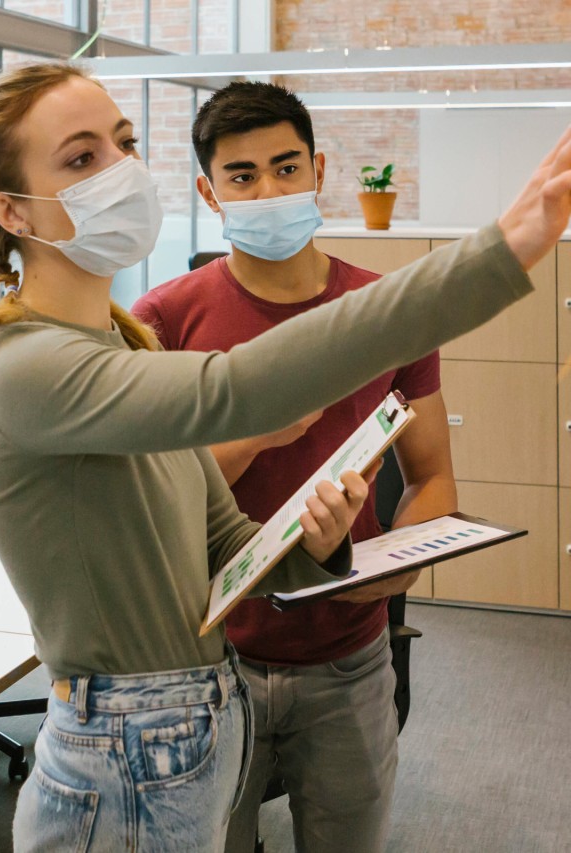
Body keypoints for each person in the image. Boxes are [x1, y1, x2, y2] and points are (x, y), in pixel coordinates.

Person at [0, 61, 569, 852]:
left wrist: (316, 544)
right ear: (11, 210)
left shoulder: (117, 341)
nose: (122, 172)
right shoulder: (28, 365)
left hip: (195, 725)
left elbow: (221, 544)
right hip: (129, 742)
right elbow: (241, 386)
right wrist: (501, 249)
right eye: (81, 159)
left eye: (125, 143)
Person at [131, 81, 456, 853]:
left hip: (348, 657)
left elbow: (434, 478)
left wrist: (389, 569)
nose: (268, 189)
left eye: (285, 168)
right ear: (210, 192)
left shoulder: (385, 312)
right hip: (208, 662)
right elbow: (145, 499)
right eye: (242, 177)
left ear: (318, 170)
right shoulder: (164, 319)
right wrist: (258, 431)